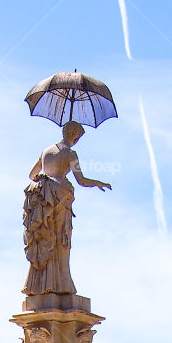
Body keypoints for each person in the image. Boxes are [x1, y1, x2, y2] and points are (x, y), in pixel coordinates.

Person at [22, 121, 111, 297]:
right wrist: (97, 183)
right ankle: (59, 284)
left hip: (42, 198)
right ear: (75, 136)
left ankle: (38, 284)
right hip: (60, 198)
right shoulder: (71, 154)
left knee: (45, 240)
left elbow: (32, 175)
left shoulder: (46, 151)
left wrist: (45, 180)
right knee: (60, 242)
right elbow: (81, 180)